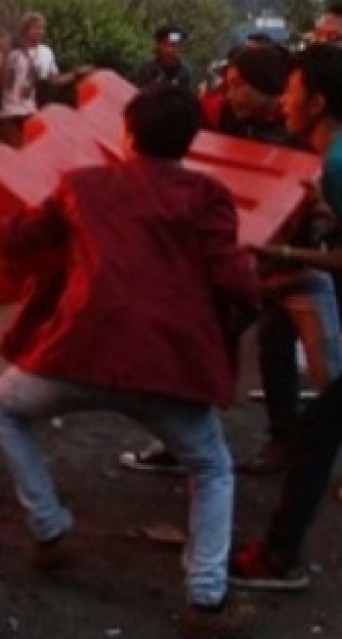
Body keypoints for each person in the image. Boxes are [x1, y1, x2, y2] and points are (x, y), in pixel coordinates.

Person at [0, 84, 261, 636]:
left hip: (78, 352)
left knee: (4, 408)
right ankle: (206, 596)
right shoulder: (208, 197)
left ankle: (49, 527)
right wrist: (257, 284)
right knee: (213, 468)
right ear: (190, 141)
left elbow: (14, 241)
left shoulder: (83, 186)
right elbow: (233, 278)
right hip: (170, 368)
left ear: (126, 134)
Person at [120, 44, 342, 476]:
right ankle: (196, 441)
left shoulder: (318, 150)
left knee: (328, 371)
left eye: (241, 85)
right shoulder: (230, 122)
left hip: (297, 270)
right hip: (253, 269)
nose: (231, 92)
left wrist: (293, 237)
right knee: (212, 347)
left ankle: (292, 457)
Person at [230, 43, 342, 590]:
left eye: (293, 92)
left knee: (320, 429)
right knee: (320, 425)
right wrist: (323, 212)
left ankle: (279, 556)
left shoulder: (339, 161)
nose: (285, 101)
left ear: (316, 102)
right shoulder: (332, 160)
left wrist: (286, 255)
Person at [0, 12, 89, 148]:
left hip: (31, 112)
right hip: (10, 113)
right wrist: (4, 57)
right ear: (26, 30)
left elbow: (55, 79)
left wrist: (76, 73)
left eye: (42, 28)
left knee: (31, 150)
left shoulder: (46, 53)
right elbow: (3, 82)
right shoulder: (13, 53)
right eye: (36, 28)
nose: (41, 31)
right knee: (19, 151)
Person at [136, 24, 193, 90]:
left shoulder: (184, 74)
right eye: (166, 45)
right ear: (159, 46)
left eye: (174, 46)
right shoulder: (146, 70)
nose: (169, 50)